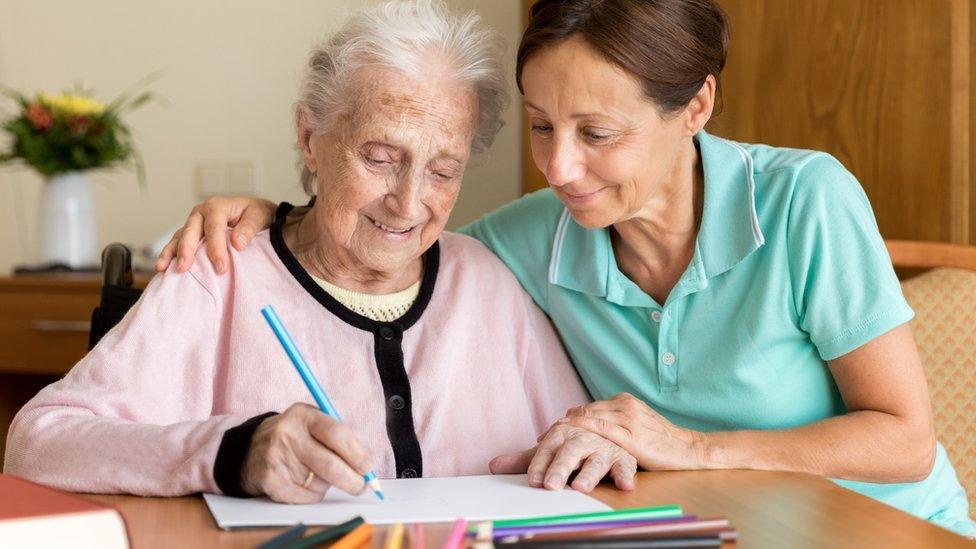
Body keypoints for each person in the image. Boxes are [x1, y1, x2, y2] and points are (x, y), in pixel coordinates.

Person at [160, 0, 975, 536]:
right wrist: (283, 212)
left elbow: (904, 439)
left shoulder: (806, 202)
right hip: (712, 529)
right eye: (543, 125)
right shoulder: (531, 236)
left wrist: (690, 445)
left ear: (695, 107)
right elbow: (395, 237)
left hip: (882, 529)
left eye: (597, 133)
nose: (559, 166)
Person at [4, 0, 637, 504]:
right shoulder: (220, 270)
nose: (409, 202)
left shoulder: (489, 283)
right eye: (381, 159)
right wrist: (233, 453)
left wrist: (592, 446)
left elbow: (580, 434)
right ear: (311, 139)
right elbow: (39, 442)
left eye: (443, 171)